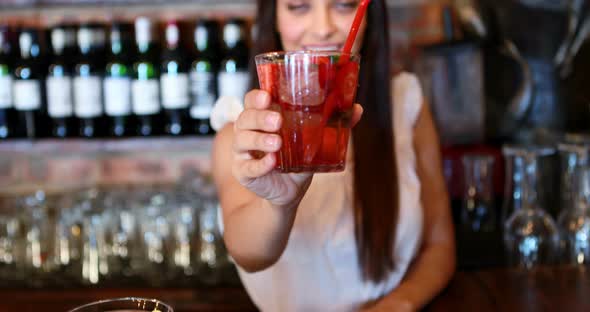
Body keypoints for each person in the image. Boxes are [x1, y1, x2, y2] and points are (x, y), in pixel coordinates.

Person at [211, 0, 456, 311]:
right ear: (273, 18)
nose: (323, 27)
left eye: (344, 5)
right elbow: (249, 254)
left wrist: (398, 305)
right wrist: (279, 204)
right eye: (299, 6)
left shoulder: (405, 104)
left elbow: (440, 246)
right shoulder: (243, 132)